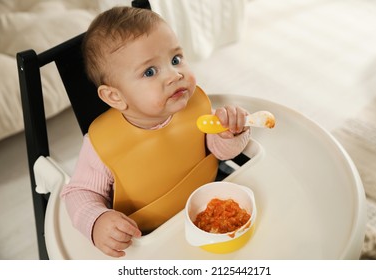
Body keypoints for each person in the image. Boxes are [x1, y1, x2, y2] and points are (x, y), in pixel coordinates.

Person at [61, 6, 251, 258]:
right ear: (114, 96)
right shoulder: (102, 144)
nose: (175, 75)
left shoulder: (193, 104)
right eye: (150, 72)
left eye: (175, 59)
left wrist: (230, 135)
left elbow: (217, 150)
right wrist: (97, 220)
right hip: (148, 237)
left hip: (204, 205)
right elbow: (80, 193)